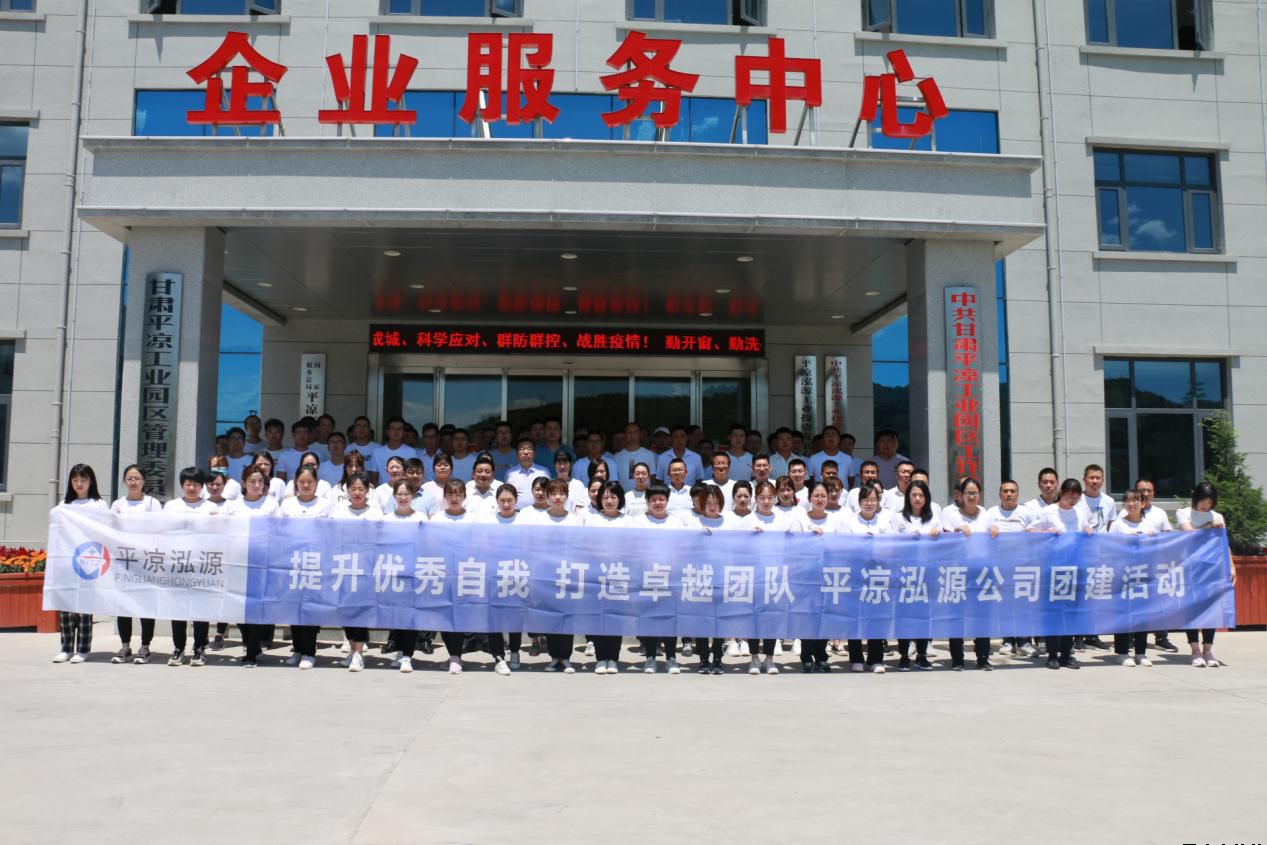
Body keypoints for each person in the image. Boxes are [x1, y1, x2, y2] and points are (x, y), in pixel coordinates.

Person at [1027, 478, 1092, 670]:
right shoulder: (1049, 511)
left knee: (1070, 614)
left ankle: (1066, 654)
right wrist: (1047, 533)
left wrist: (1088, 530)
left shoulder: (1080, 512)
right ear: (1061, 493)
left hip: (1075, 569)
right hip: (1053, 569)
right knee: (1053, 613)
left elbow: (1085, 529)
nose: (1072, 499)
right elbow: (1029, 531)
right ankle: (1052, 654)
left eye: (1076, 496)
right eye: (1069, 495)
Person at [50, 464, 108, 664]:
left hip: (88, 561)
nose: (79, 484)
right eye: (75, 480)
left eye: (83, 480)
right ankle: (66, 648)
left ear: (91, 481)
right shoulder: (64, 505)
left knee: (84, 607)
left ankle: (83, 649)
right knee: (66, 606)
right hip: (67, 560)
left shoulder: (98, 505)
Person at [161, 467, 219, 667]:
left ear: (202, 486)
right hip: (178, 563)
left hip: (202, 565)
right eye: (188, 484)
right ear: (182, 485)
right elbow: (163, 531)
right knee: (178, 609)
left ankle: (199, 648)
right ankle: (178, 648)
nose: (192, 488)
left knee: (200, 609)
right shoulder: (171, 506)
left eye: (195, 484)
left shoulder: (211, 507)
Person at [222, 466, 279, 666]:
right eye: (252, 481)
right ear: (243, 483)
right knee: (237, 606)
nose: (256, 485)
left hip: (261, 562)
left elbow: (279, 532)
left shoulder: (271, 504)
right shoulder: (232, 505)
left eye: (260, 481)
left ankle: (251, 653)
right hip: (237, 561)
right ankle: (251, 643)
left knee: (255, 607)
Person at [740, 480, 799, 673]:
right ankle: (754, 657)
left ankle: (770, 658)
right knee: (754, 618)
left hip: (776, 576)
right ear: (755, 499)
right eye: (762, 497)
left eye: (770, 497)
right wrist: (749, 537)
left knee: (772, 618)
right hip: (754, 576)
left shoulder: (783, 519)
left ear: (775, 498)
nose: (766, 501)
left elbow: (795, 546)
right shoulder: (748, 520)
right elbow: (738, 547)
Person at [277, 466, 330, 670]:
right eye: (302, 482)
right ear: (295, 483)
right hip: (293, 562)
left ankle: (309, 652)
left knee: (310, 609)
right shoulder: (288, 504)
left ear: (316, 483)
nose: (306, 485)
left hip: (316, 562)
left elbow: (331, 531)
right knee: (294, 608)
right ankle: (298, 649)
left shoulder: (325, 504)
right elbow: (280, 531)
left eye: (310, 481)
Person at [938, 477, 994, 671]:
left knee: (982, 615)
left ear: (980, 495)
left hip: (981, 571)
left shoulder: (986, 514)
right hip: (958, 571)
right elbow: (944, 541)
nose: (971, 496)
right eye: (968, 493)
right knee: (957, 615)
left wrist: (996, 531)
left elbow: (993, 537)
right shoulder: (952, 515)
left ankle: (983, 657)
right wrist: (956, 531)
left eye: (975, 493)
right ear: (960, 495)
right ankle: (957, 658)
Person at [108, 464, 162, 664]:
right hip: (124, 561)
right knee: (124, 605)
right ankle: (125, 646)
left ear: (144, 481)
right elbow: (110, 530)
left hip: (146, 561)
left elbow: (159, 530)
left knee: (146, 605)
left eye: (137, 478)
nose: (133, 482)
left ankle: (145, 646)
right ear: (124, 481)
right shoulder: (117, 504)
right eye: (129, 478)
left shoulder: (152, 503)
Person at [1177, 481, 1233, 668]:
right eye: (1203, 502)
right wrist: (1209, 526)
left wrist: (1231, 565)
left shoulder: (1217, 516)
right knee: (1192, 608)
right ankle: (1195, 650)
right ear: (1196, 498)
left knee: (1211, 608)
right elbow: (1189, 534)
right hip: (1191, 568)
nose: (1205, 506)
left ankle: (1208, 649)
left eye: (1209, 503)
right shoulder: (1184, 513)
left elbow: (1224, 543)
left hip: (1212, 568)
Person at [838, 480, 891, 673]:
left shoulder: (885, 522)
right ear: (859, 502)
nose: (869, 503)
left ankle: (876, 659)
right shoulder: (848, 521)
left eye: (873, 500)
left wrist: (876, 544)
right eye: (865, 500)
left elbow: (892, 548)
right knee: (855, 617)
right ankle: (856, 658)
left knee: (876, 618)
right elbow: (842, 546)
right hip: (855, 575)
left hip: (877, 575)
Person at [632, 483, 683, 674]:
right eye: (653, 500)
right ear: (647, 502)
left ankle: (671, 658)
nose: (658, 503)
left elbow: (683, 549)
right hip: (647, 577)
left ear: (667, 501)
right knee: (649, 619)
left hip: (671, 578)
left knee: (670, 619)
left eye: (661, 499)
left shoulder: (676, 523)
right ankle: (650, 657)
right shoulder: (638, 522)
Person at [892, 479, 941, 671]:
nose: (918, 498)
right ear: (908, 497)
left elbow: (942, 543)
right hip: (904, 572)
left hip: (927, 573)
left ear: (926, 498)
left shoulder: (933, 519)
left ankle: (922, 655)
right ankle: (904, 655)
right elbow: (891, 542)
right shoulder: (899, 518)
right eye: (914, 495)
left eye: (921, 495)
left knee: (924, 615)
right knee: (904, 616)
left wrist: (938, 534)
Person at [582, 481, 630, 674]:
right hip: (597, 576)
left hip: (620, 576)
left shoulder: (628, 521)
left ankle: (613, 659)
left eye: (613, 497)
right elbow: (586, 547)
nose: (609, 501)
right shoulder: (592, 521)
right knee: (598, 618)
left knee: (615, 619)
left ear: (620, 499)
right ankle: (601, 658)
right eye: (605, 497)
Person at [986, 480, 1038, 658]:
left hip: (1023, 566)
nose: (1009, 494)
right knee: (1005, 604)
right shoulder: (991, 513)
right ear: (1000, 494)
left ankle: (1024, 641)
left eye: (1012, 491)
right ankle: (1008, 640)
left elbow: (1036, 535)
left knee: (1023, 605)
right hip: (1001, 567)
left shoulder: (1026, 512)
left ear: (1018, 493)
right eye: (1005, 491)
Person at [1107, 489, 1156, 668]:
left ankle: (1141, 652)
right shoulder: (1117, 525)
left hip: (1143, 575)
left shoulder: (1149, 526)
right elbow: (1109, 547)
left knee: (1142, 615)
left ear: (1143, 503)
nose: (1131, 504)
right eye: (1128, 500)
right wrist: (1126, 541)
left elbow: (1156, 549)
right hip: (1122, 575)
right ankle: (1122, 652)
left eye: (1135, 500)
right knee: (1123, 614)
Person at [539, 478, 583, 673]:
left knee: (567, 617)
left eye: (562, 493)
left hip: (568, 574)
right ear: (548, 496)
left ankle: (565, 657)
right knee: (550, 617)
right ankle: (553, 657)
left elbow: (579, 547)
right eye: (554, 493)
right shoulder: (541, 519)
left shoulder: (575, 520)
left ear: (567, 496)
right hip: (547, 574)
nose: (558, 497)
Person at [798, 481, 839, 673]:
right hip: (805, 575)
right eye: (816, 496)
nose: (820, 499)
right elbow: (792, 544)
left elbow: (841, 545)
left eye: (823, 496)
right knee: (807, 617)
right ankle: (806, 656)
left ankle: (821, 656)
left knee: (824, 616)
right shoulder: (800, 519)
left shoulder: (835, 521)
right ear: (809, 498)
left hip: (828, 574)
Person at [504, 437, 549, 510]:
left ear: (535, 453)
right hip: (517, 513)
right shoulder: (510, 473)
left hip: (539, 512)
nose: (526, 452)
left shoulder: (543, 471)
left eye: (529, 449)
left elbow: (549, 493)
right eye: (522, 449)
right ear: (517, 453)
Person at [371, 417, 417, 485]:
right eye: (393, 428)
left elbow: (413, 476)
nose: (396, 431)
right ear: (388, 432)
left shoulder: (411, 452)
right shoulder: (377, 452)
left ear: (404, 432)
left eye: (399, 429)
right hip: (383, 490)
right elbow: (374, 478)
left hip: (404, 490)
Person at [612, 421, 656, 486]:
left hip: (644, 492)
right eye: (629, 432)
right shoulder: (616, 457)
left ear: (640, 435)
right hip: (622, 492)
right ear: (625, 435)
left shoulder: (649, 455)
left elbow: (652, 478)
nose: (632, 436)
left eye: (635, 432)